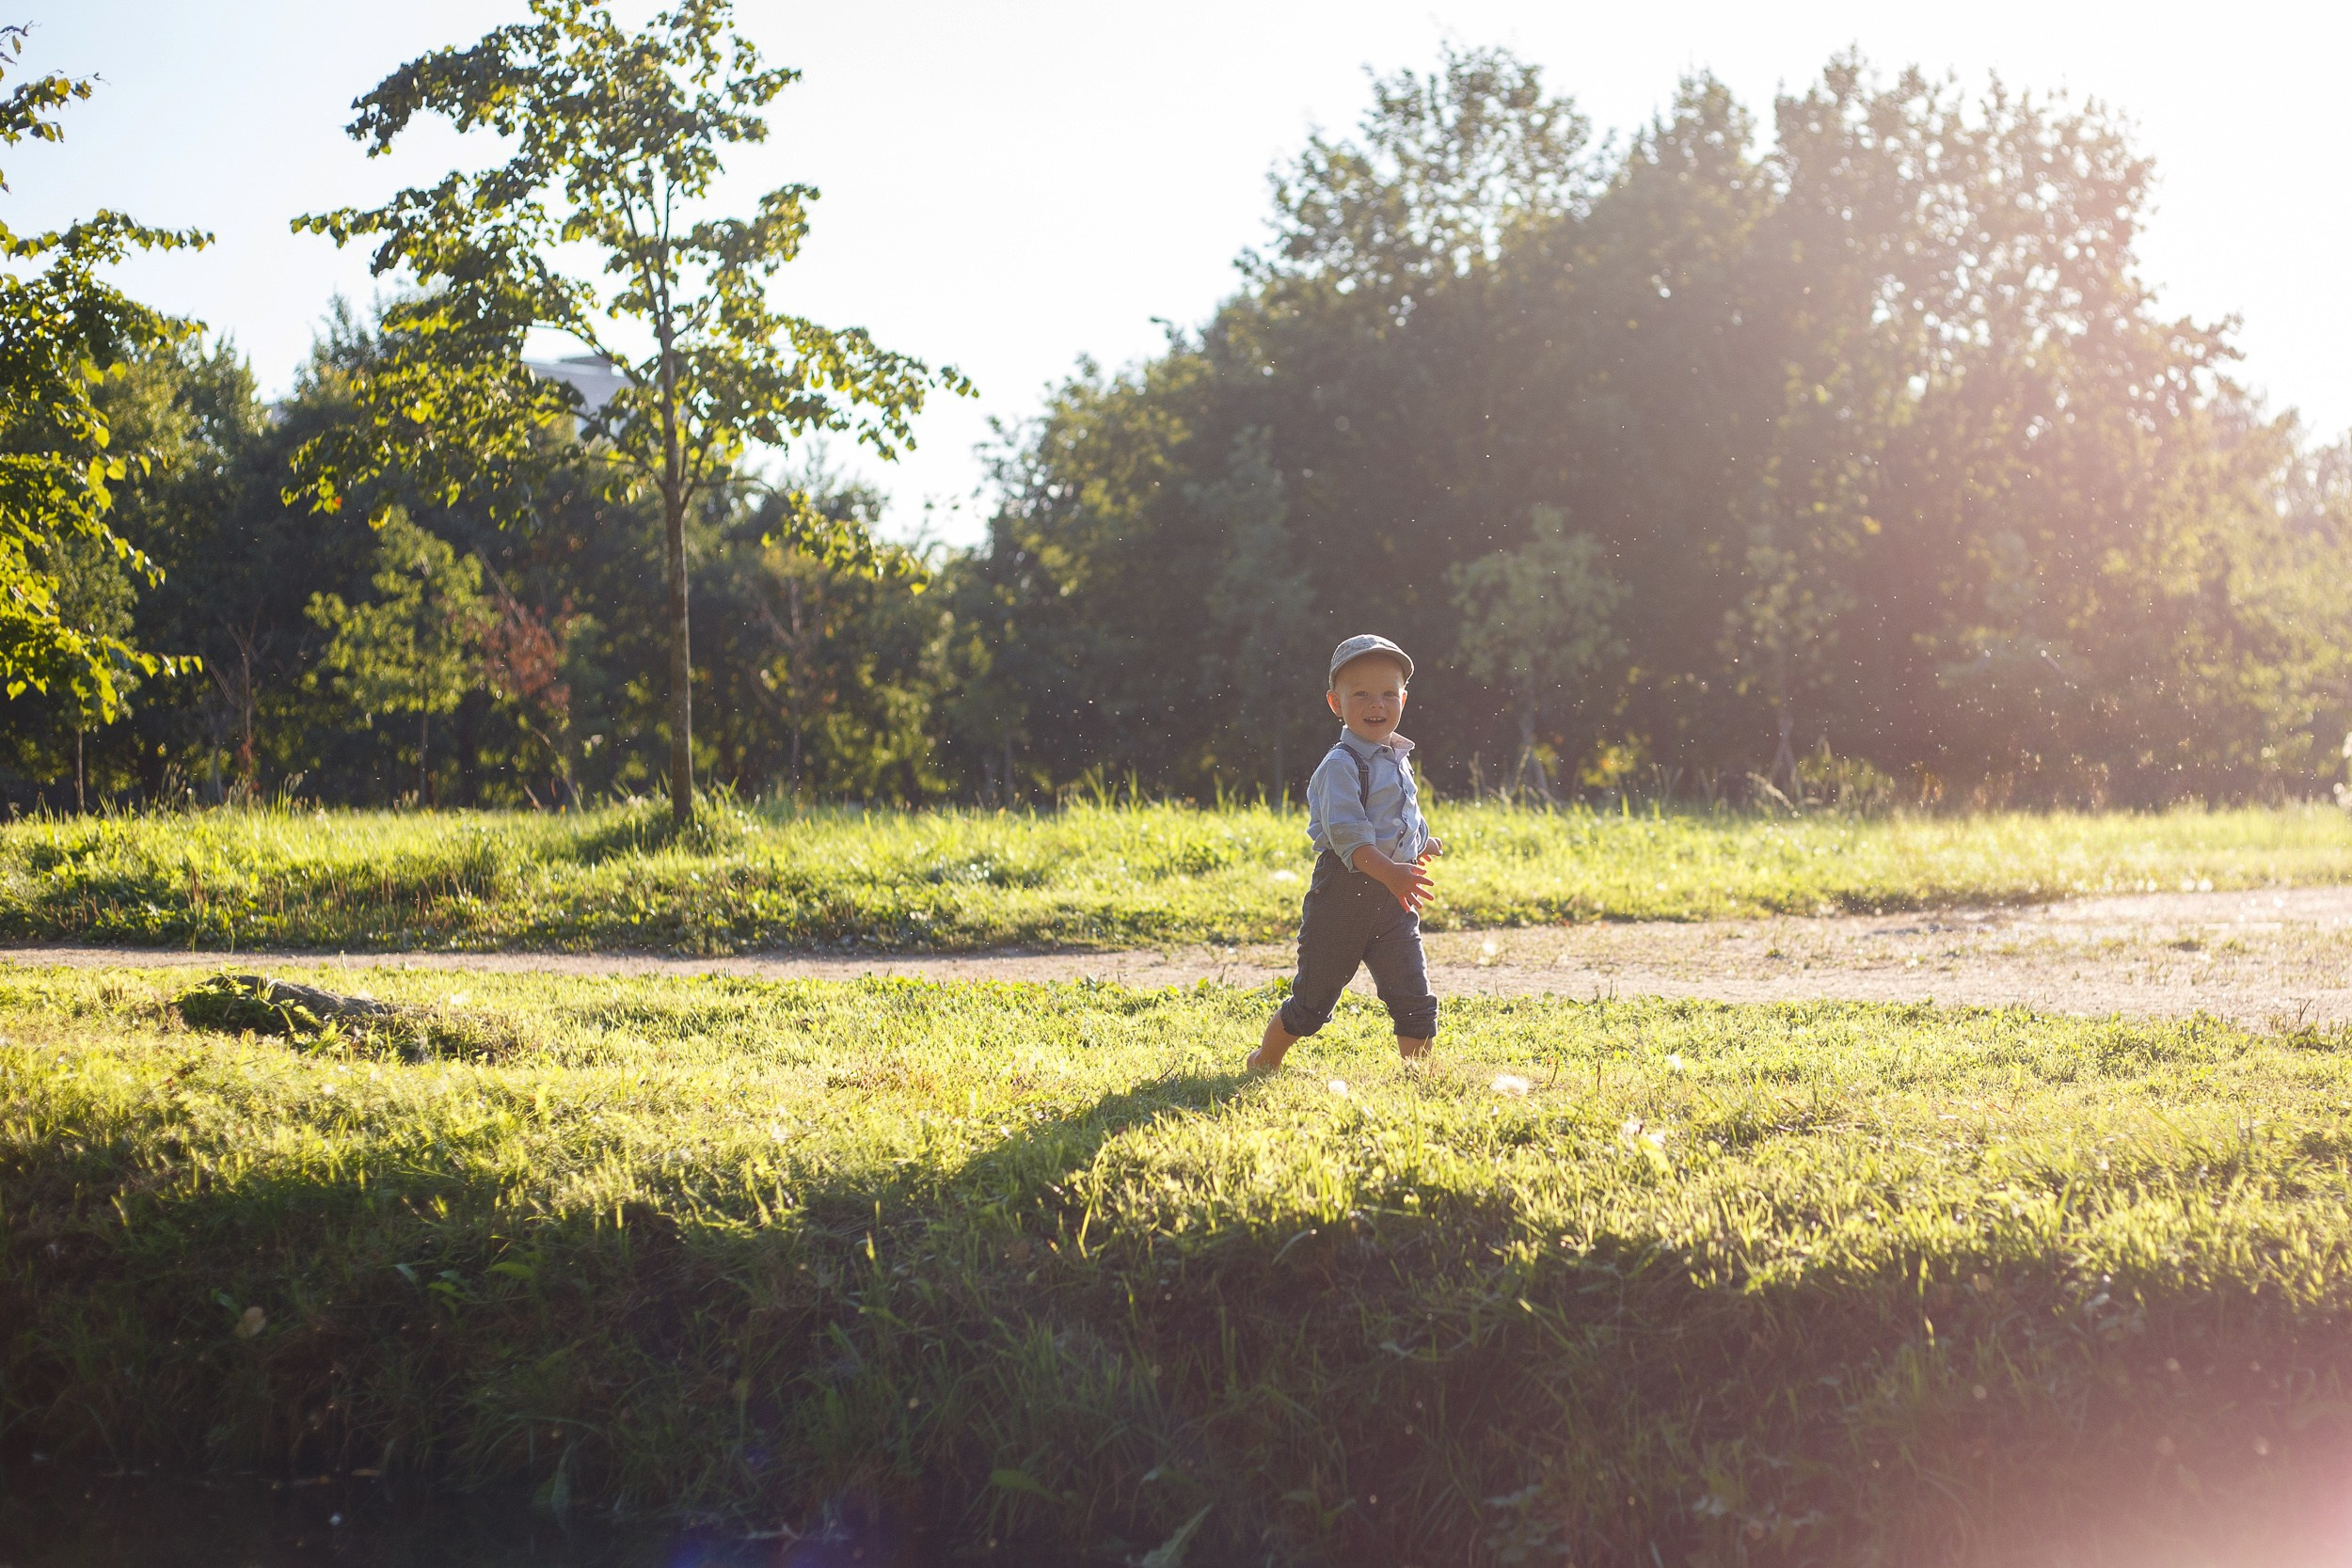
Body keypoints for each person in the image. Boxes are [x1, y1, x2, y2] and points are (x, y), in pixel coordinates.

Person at [1248, 634, 1443, 1071]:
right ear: (1336, 703)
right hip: (1342, 898)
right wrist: (1393, 872)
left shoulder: (1396, 755)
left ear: (1404, 699)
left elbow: (1402, 812)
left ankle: (1420, 1079)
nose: (1377, 704)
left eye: (1388, 694)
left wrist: (1418, 844)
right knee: (1313, 1001)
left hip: (1392, 905)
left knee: (1413, 993)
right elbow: (1350, 837)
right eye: (1362, 695)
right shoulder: (1340, 765)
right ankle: (1264, 1060)